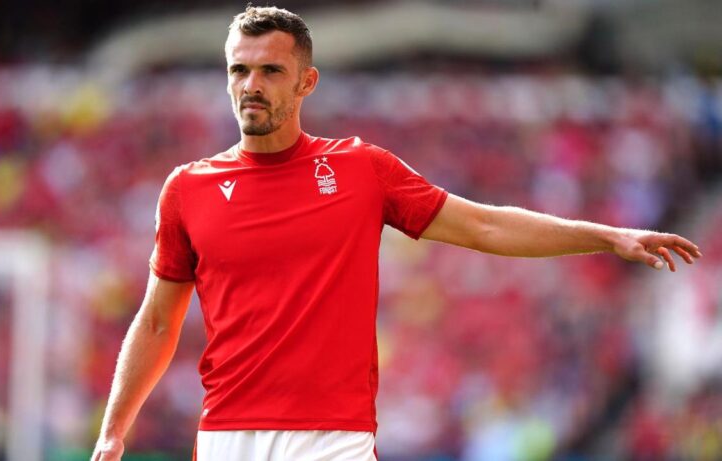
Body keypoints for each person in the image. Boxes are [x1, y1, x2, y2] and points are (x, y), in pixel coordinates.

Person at [91, 6, 702, 461]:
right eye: (239, 70)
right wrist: (114, 432)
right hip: (227, 438)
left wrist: (607, 236)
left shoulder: (362, 169)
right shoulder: (187, 189)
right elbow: (157, 322)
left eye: (271, 70)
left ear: (306, 82)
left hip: (333, 439)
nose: (251, 85)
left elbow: (483, 224)